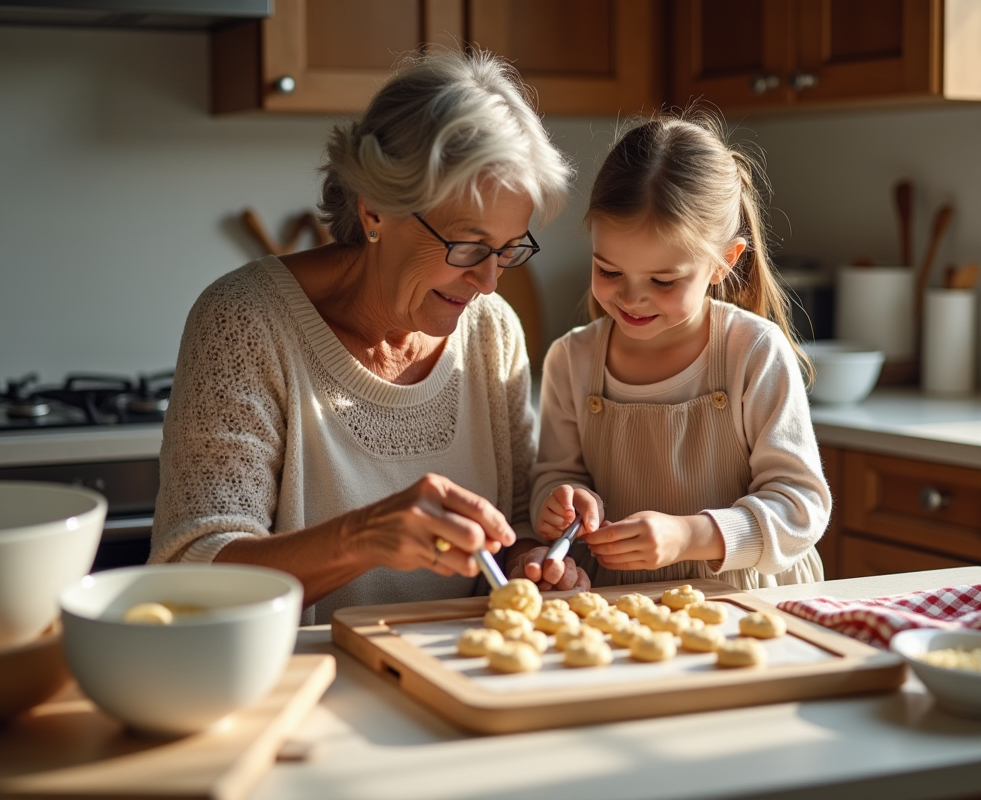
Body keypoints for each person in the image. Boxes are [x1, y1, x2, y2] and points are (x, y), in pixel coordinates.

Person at [150, 49, 589, 623]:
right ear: (376, 209)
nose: (488, 281)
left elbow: (512, 530)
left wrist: (540, 563)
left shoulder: (491, 330)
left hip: (459, 679)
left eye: (508, 250)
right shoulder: (245, 322)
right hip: (306, 687)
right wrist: (362, 537)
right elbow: (191, 575)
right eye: (468, 245)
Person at [528, 110, 830, 591]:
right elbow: (556, 475)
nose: (631, 298)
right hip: (618, 599)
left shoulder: (752, 352)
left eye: (663, 281)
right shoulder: (571, 361)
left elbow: (799, 507)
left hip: (743, 598)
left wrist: (691, 535)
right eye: (608, 271)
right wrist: (559, 503)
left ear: (722, 264)